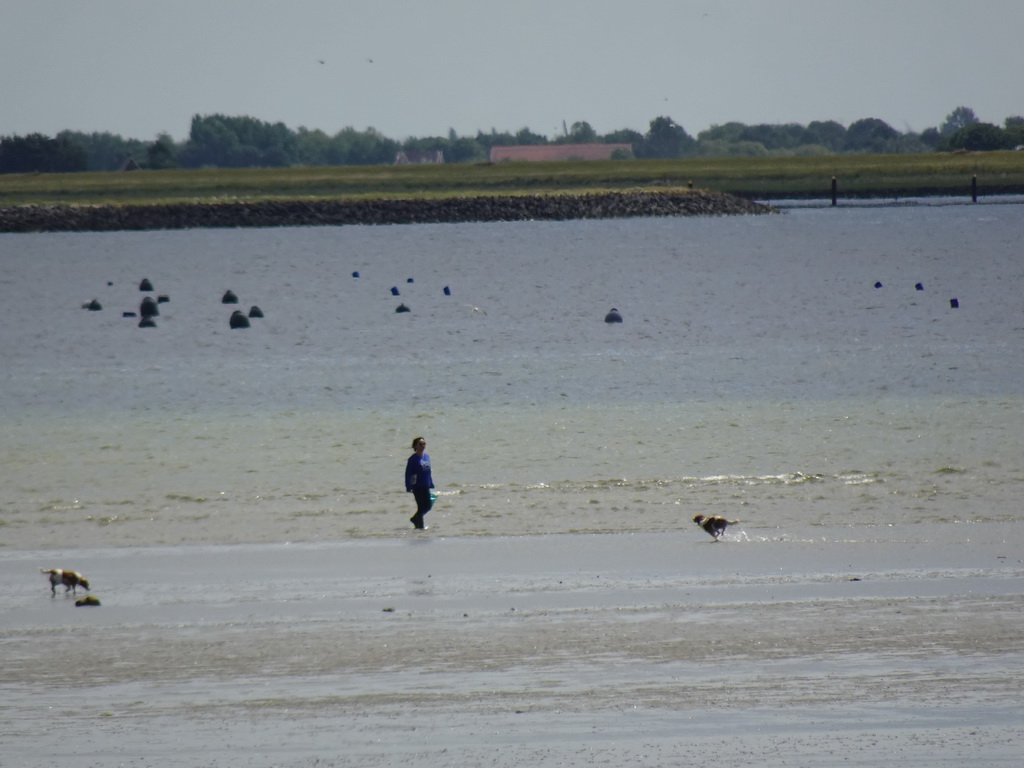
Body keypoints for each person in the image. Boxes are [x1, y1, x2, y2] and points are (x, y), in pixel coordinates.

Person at [405, 436, 434, 529]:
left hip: (426, 484)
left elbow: (428, 471)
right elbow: (408, 473)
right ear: (415, 446)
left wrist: (431, 483)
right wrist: (408, 486)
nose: (422, 446)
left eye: (424, 444)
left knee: (428, 506)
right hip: (417, 486)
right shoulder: (413, 459)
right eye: (420, 444)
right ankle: (420, 527)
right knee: (421, 507)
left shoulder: (427, 456)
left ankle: (415, 519)